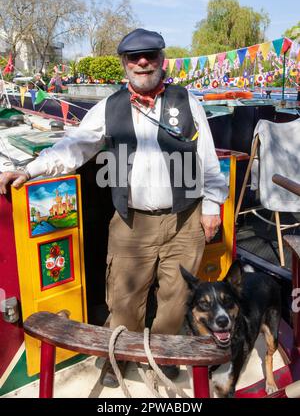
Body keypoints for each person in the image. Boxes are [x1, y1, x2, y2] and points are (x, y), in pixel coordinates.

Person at [0, 28, 228, 386]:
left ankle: (165, 355)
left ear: (160, 60)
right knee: (123, 297)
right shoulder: (109, 107)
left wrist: (212, 206)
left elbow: (208, 160)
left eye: (149, 55)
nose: (142, 62)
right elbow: (72, 149)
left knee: (176, 296)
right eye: (134, 57)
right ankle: (119, 358)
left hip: (186, 219)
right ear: (124, 64)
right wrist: (29, 169)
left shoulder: (188, 102)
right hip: (131, 222)